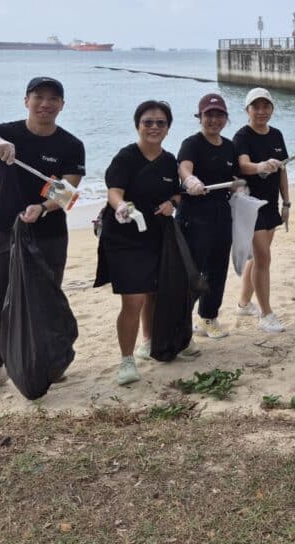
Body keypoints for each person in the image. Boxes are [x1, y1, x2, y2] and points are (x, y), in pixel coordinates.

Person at [0, 76, 85, 402]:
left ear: (62, 105)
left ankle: (50, 361)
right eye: (38, 97)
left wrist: (42, 207)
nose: (45, 104)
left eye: (53, 99)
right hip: (3, 229)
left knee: (46, 299)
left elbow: (68, 191)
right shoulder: (7, 133)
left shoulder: (70, 145)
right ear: (26, 101)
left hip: (47, 232)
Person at [95, 100, 189, 386]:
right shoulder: (126, 157)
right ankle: (126, 359)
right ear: (138, 125)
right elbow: (114, 191)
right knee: (133, 299)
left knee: (153, 292)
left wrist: (172, 203)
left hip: (157, 235)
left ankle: (148, 342)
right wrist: (122, 206)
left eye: (161, 122)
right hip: (124, 236)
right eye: (148, 122)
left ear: (168, 128)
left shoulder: (170, 161)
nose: (154, 127)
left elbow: (178, 194)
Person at [177, 94, 238, 339]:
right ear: (200, 117)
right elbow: (183, 167)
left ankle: (208, 319)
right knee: (192, 270)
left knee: (217, 267)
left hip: (221, 213)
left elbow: (232, 175)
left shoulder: (229, 146)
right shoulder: (192, 143)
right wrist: (190, 180)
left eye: (219, 115)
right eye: (208, 115)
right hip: (194, 214)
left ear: (226, 118)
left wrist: (237, 185)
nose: (214, 120)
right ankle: (180, 321)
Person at [233, 87, 290, 332]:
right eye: (255, 107)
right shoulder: (242, 135)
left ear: (272, 109)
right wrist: (261, 166)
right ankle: (266, 314)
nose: (261, 111)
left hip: (271, 204)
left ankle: (244, 303)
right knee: (263, 258)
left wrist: (286, 201)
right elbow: (243, 165)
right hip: (249, 206)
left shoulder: (276, 135)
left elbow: (283, 170)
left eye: (265, 106)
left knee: (257, 258)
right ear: (247, 110)